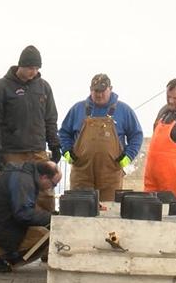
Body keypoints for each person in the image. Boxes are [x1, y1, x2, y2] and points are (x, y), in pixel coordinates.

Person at [0, 45, 61, 216]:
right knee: (15, 197)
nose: (33, 72)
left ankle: (43, 237)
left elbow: (50, 119)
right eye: (30, 68)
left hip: (38, 152)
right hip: (13, 153)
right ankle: (10, 240)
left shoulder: (44, 88)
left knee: (45, 195)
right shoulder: (1, 87)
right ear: (21, 66)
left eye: (36, 68)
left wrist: (54, 145)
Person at [0, 159, 61, 272]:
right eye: (53, 184)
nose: (51, 188)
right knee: (41, 235)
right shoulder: (24, 180)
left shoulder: (25, 175)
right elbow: (24, 214)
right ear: (44, 177)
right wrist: (52, 218)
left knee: (35, 229)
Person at [59, 73, 143, 203]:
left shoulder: (124, 110)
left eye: (102, 91)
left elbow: (136, 135)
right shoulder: (77, 109)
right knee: (79, 213)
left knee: (108, 214)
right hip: (82, 174)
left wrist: (128, 156)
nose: (99, 94)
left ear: (111, 89)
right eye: (95, 91)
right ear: (90, 89)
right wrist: (66, 151)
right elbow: (64, 133)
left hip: (110, 175)